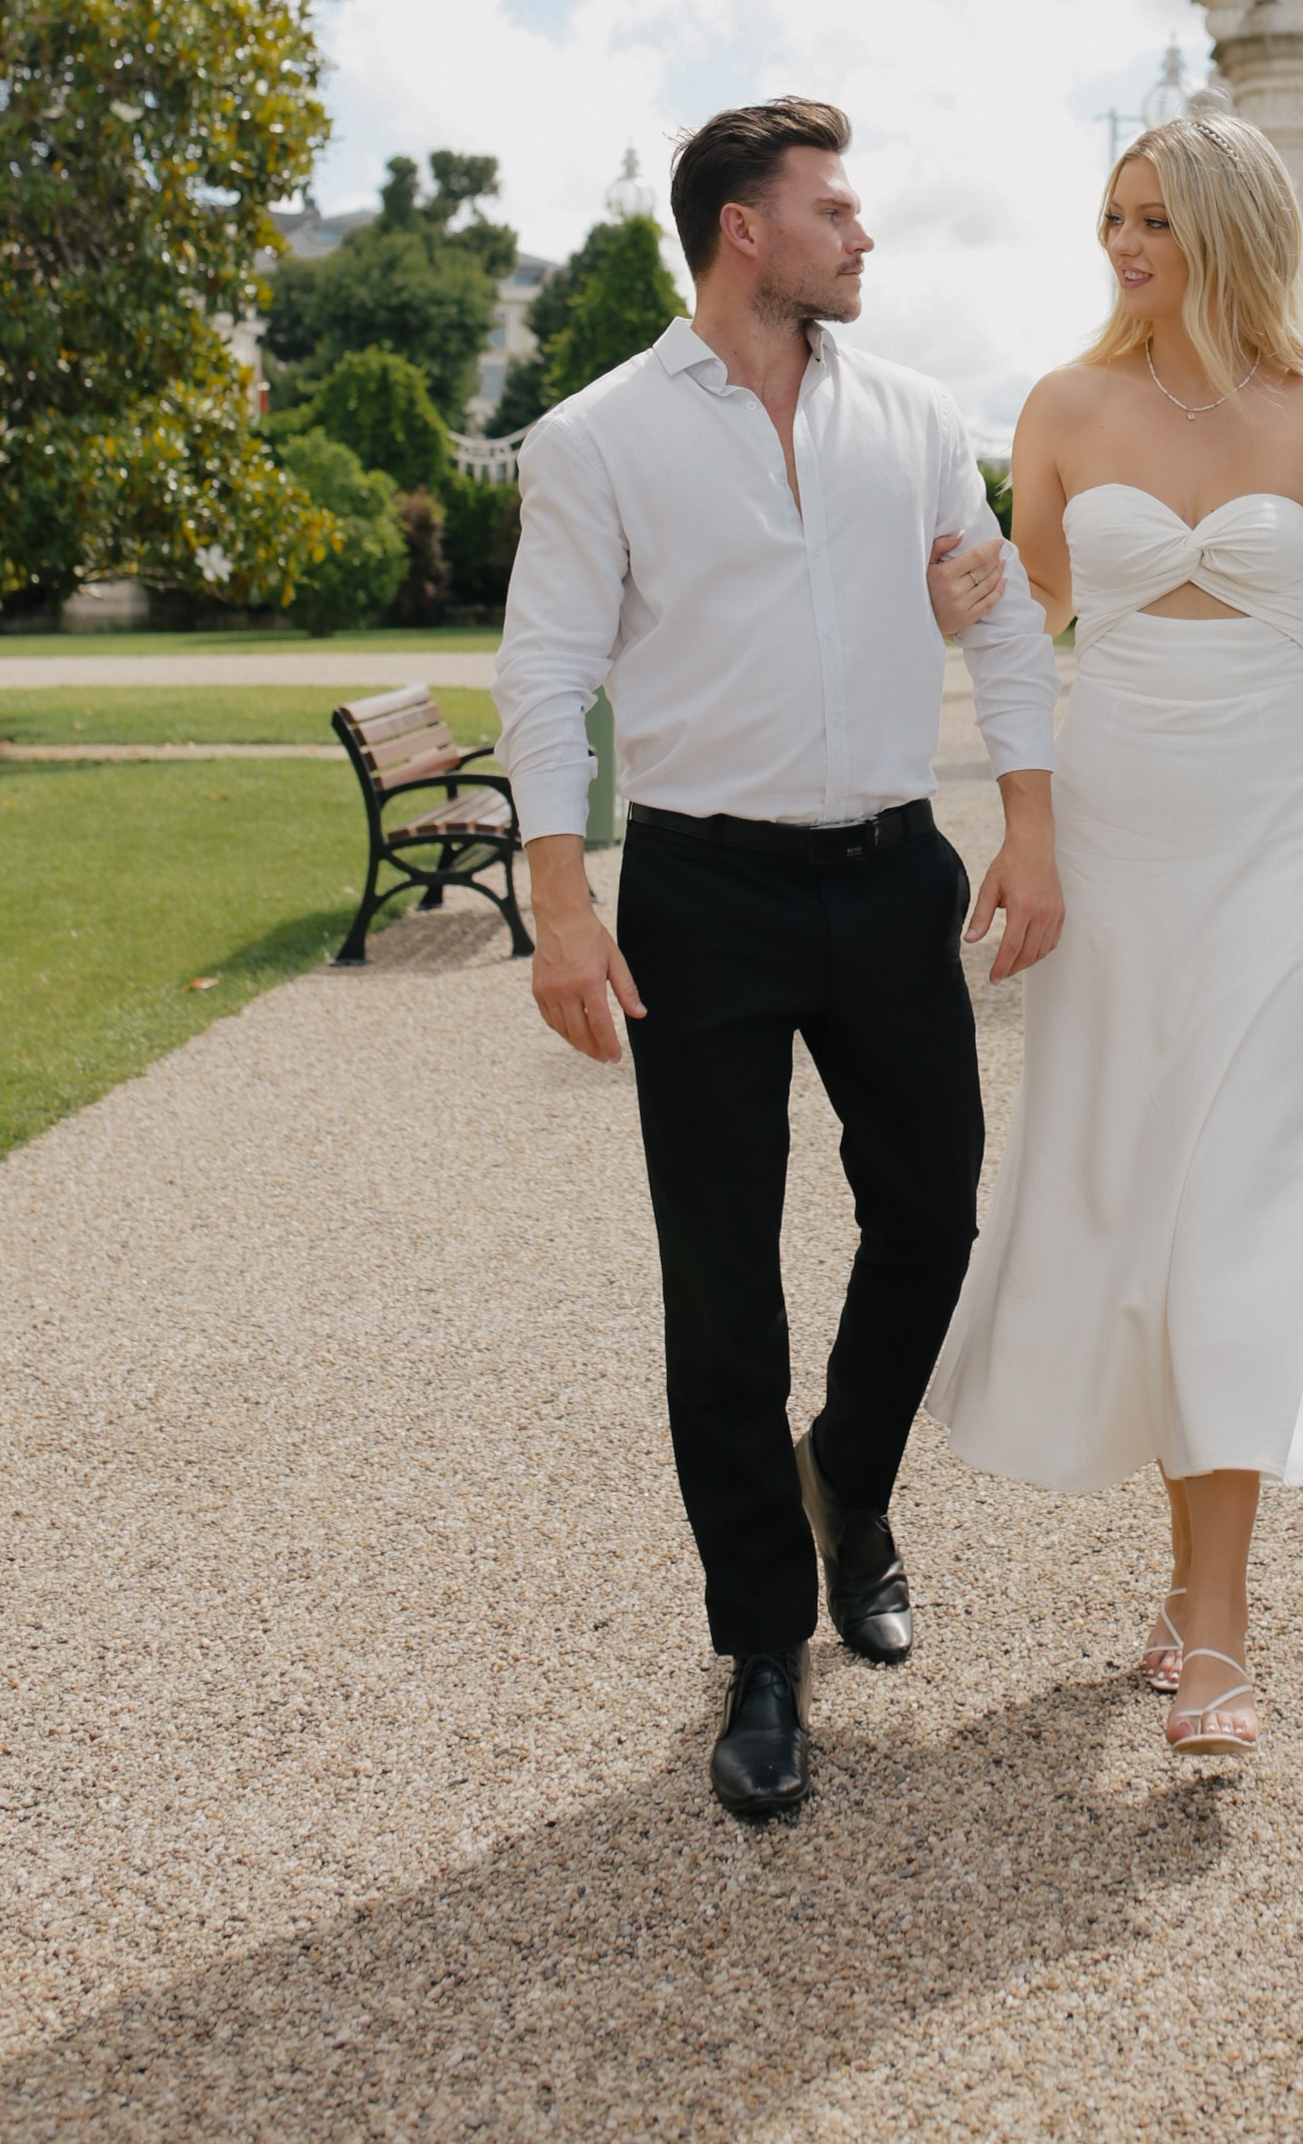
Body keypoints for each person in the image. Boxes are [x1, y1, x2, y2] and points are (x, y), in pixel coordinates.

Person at [494, 98, 1062, 1822]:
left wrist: (1029, 823)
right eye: (836, 207)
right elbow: (543, 674)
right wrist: (564, 897)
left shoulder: (913, 415)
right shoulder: (595, 440)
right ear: (747, 228)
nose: (863, 232)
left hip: (895, 875)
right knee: (721, 1274)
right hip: (704, 899)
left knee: (937, 1211)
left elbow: (1000, 609)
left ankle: (852, 1476)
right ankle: (761, 1644)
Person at [925, 110, 1303, 1756]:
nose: (1123, 244)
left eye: (1152, 218)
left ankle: (1217, 1634)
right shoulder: (1063, 407)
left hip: (1278, 840)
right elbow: (1038, 613)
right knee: (1142, 1200)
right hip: (1125, 833)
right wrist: (968, 617)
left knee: (1244, 1210)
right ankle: (1183, 1590)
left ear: (1225, 224)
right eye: (1112, 217)